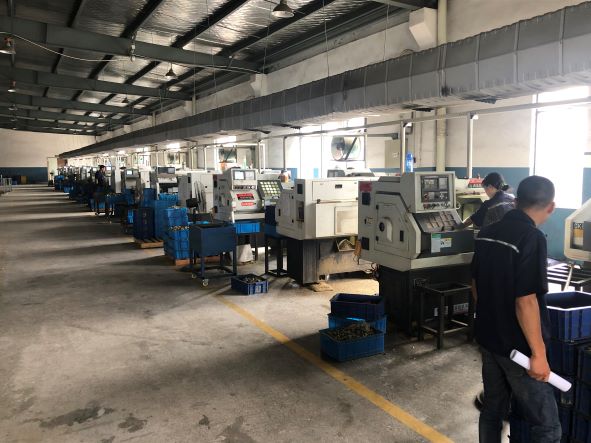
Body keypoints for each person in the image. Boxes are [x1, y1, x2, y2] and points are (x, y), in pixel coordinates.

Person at [471, 176, 559, 443]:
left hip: (489, 339)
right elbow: (526, 301)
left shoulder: (486, 233)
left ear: (516, 201)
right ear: (551, 207)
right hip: (518, 351)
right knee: (547, 427)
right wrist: (539, 355)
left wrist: (488, 318)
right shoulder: (532, 237)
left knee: (492, 410)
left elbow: (475, 284)